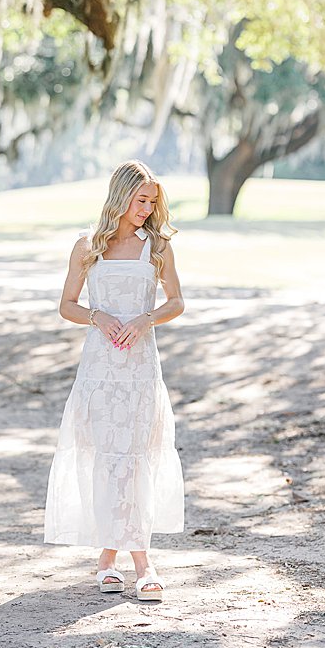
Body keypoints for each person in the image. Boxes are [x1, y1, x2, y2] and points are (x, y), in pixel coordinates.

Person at [45, 159, 186, 602]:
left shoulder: (158, 246)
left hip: (141, 369)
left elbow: (177, 301)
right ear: (121, 195)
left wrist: (145, 320)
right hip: (100, 370)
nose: (147, 208)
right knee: (107, 457)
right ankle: (109, 559)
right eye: (141, 199)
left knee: (138, 455)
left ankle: (139, 563)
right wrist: (96, 316)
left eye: (153, 202)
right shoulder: (88, 245)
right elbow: (67, 305)